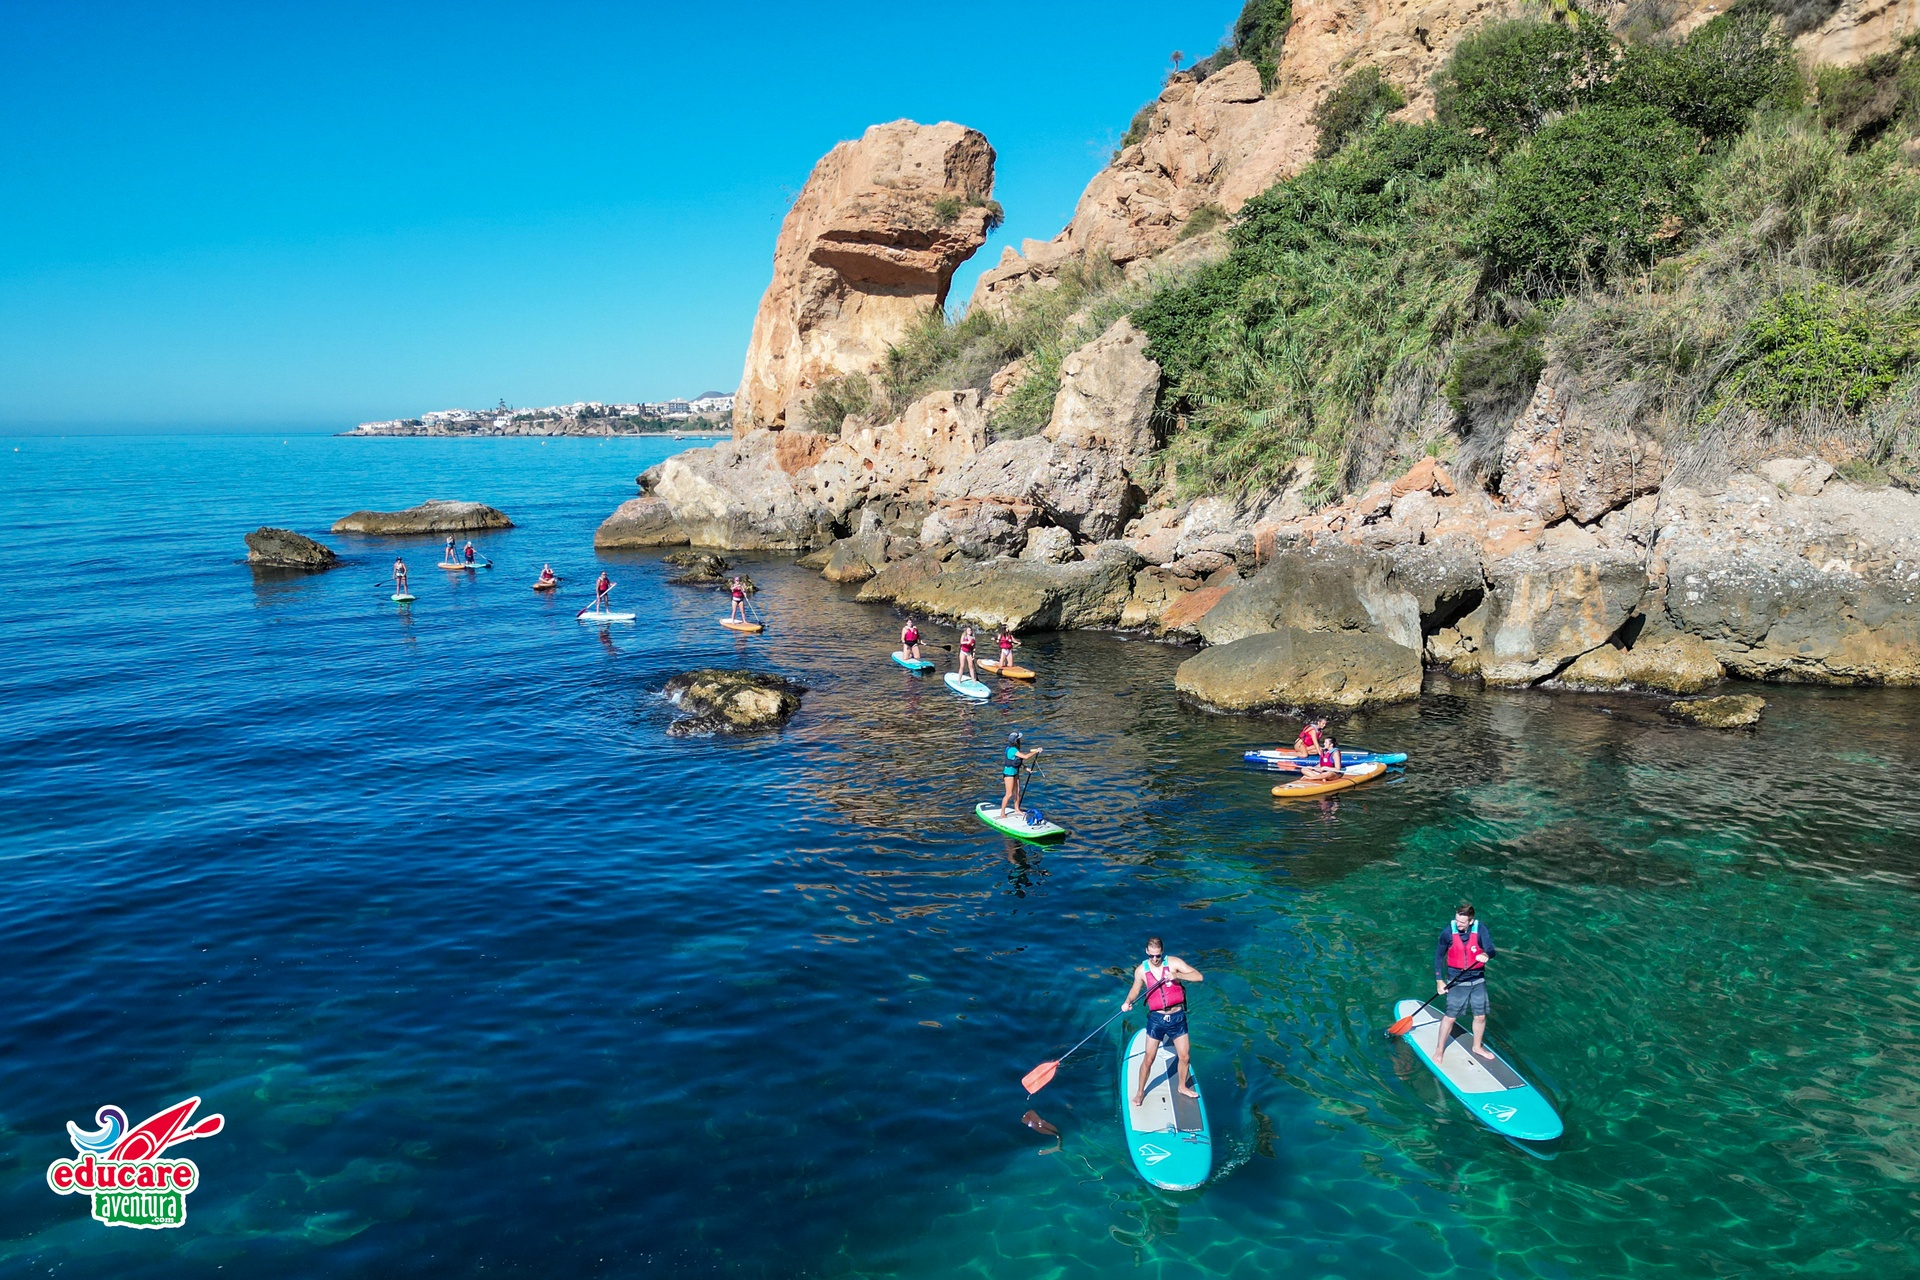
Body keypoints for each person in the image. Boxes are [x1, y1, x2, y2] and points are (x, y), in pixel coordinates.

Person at [1121, 937, 1204, 1106]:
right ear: (1146, 952)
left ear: (1162, 952)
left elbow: (1198, 976)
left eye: (1158, 956)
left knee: (1185, 1056)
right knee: (1149, 1058)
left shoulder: (1173, 963)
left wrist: (1176, 975)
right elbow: (1135, 990)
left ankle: (1182, 1086)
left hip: (1177, 1018)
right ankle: (1140, 1092)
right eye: (1151, 956)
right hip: (1157, 1020)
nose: (1155, 959)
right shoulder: (1141, 971)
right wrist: (1127, 1002)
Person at [1434, 902, 1496, 1062]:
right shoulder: (1448, 932)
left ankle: (1477, 1047)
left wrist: (1486, 955)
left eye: (1462, 922)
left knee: (1480, 1016)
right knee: (1450, 1017)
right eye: (1457, 920)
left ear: (1471, 920)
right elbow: (1438, 957)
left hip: (1477, 979)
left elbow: (1491, 949)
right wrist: (1439, 981)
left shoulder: (1480, 929)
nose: (1458, 924)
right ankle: (1439, 1050)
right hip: (1456, 980)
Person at [999, 731, 1042, 817]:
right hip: (1008, 774)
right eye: (1018, 739)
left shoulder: (1015, 749)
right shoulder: (1012, 749)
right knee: (1009, 794)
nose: (1020, 740)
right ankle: (1002, 813)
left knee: (1017, 792)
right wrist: (1036, 751)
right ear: (1015, 741)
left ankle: (1017, 809)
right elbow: (1025, 757)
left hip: (1015, 772)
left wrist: (1025, 768)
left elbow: (1017, 761)